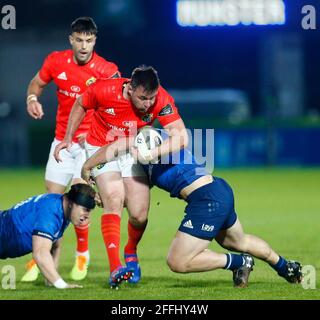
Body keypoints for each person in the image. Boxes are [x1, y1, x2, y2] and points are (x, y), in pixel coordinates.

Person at [81, 129, 303, 287]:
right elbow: (137, 195)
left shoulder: (153, 151)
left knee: (177, 261)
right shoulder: (160, 143)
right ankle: (285, 267)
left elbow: (116, 147)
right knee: (237, 241)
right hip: (219, 190)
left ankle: (240, 262)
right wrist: (107, 194)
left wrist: (87, 166)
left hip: (207, 201)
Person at [54, 66, 188, 288]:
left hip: (133, 151)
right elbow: (80, 103)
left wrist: (153, 153)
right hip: (102, 148)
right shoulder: (104, 90)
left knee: (139, 214)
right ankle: (116, 267)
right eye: (143, 98)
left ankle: (130, 251)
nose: (148, 104)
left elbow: (181, 135)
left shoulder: (161, 99)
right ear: (130, 88)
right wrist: (68, 137)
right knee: (114, 199)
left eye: (151, 98)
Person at [24, 17, 120, 282]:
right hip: (61, 142)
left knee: (80, 199)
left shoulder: (106, 69)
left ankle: (82, 253)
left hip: (89, 145)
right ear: (71, 40)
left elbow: (119, 105)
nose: (84, 46)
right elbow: (36, 83)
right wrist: (32, 99)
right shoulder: (56, 61)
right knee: (51, 203)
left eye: (89, 40)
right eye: (79, 39)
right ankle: (44, 258)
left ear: (95, 41)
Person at [0, 184, 98, 289]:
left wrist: (51, 280)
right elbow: (40, 253)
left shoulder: (61, 208)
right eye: (85, 209)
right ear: (71, 203)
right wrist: (61, 285)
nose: (87, 216)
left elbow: (55, 246)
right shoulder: (51, 210)